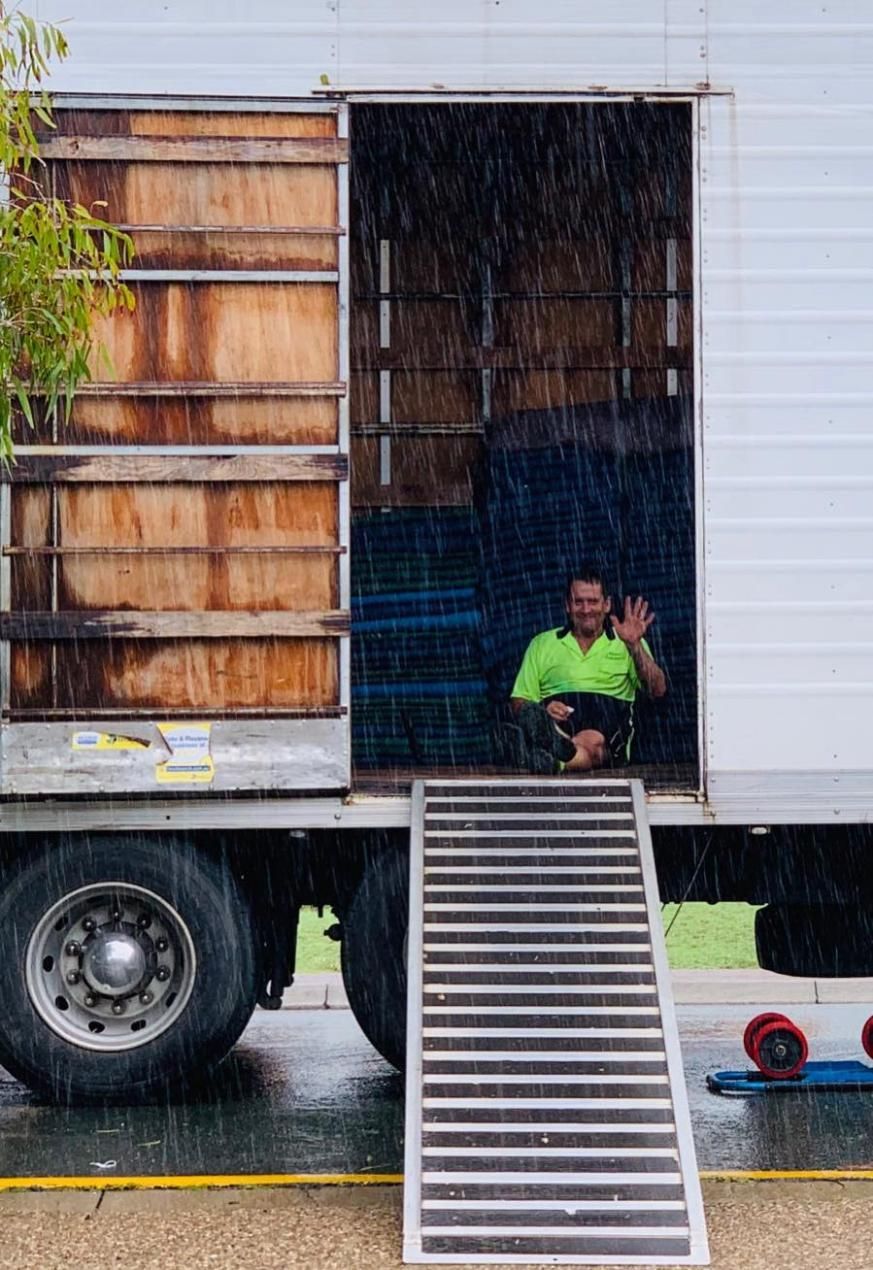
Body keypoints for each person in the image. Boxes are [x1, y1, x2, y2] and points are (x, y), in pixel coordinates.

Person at [508, 564, 667, 773]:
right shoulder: (542, 644)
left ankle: (550, 758)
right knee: (543, 723)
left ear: (607, 604)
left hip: (607, 731)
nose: (585, 610)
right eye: (578, 602)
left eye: (593, 602)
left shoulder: (628, 642)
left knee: (593, 743)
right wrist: (544, 712)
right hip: (557, 724)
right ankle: (550, 748)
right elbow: (519, 701)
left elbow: (658, 690)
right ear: (567, 605)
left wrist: (634, 646)